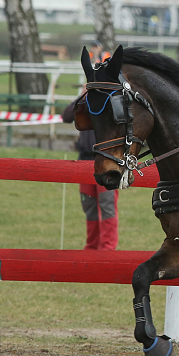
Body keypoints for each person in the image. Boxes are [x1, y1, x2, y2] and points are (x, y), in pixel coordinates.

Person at [61, 96, 119, 250]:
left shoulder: (110, 101)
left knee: (107, 206)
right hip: (84, 163)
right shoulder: (83, 103)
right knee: (89, 207)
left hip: (107, 163)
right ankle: (92, 247)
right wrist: (81, 97)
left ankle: (107, 248)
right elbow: (66, 116)